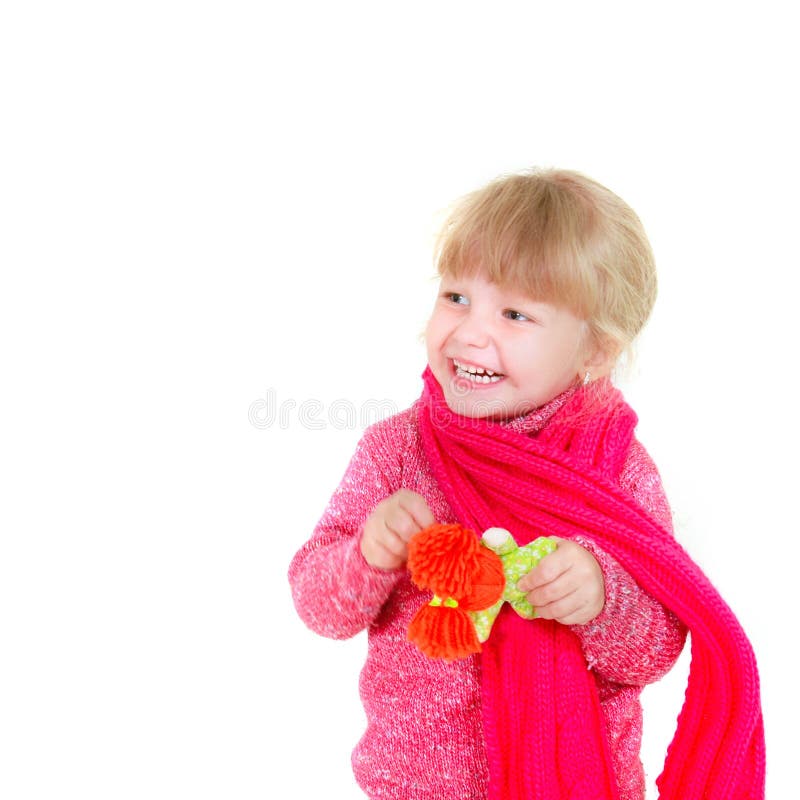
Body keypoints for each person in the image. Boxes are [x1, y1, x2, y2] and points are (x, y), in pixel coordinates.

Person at [287, 169, 764, 800]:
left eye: (514, 313)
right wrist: (369, 555)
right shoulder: (397, 453)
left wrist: (601, 597)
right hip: (410, 789)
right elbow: (318, 608)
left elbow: (653, 652)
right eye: (456, 296)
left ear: (594, 352)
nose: (471, 331)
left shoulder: (615, 470)